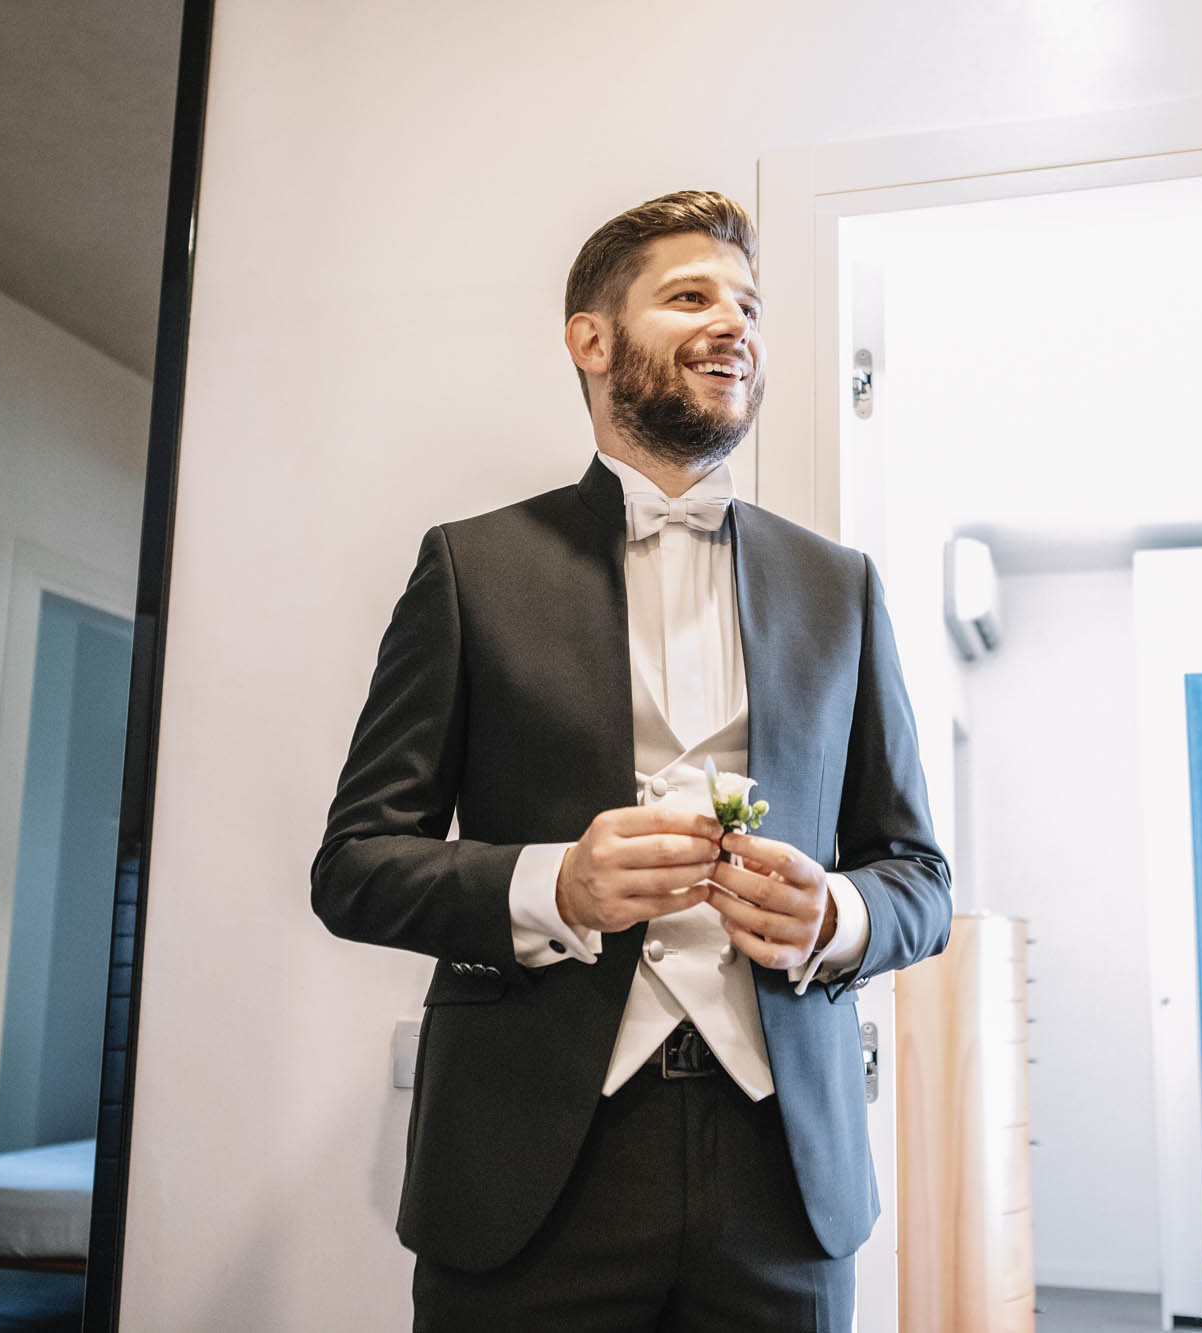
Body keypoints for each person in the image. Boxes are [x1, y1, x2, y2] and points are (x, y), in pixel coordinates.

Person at [311, 189, 952, 1332]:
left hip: (784, 1176)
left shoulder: (838, 588)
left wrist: (835, 918)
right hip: (529, 1168)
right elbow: (355, 864)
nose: (735, 324)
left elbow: (917, 877)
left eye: (748, 303)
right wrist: (547, 885)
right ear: (590, 340)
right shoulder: (472, 570)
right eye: (690, 295)